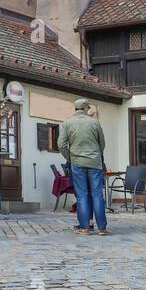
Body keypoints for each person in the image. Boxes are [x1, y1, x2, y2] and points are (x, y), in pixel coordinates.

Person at [58, 97, 108, 236]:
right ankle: (102, 228)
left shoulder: (67, 123)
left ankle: (85, 228)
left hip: (77, 163)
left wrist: (71, 157)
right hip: (94, 163)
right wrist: (96, 155)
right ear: (86, 108)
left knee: (82, 195)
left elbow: (61, 145)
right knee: (97, 194)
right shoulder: (94, 123)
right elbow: (102, 143)